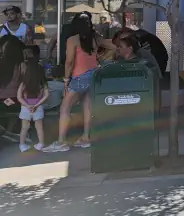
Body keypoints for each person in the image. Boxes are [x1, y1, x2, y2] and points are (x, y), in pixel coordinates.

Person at [44, 13, 112, 152]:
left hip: (79, 77)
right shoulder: (95, 38)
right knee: (87, 107)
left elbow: (69, 62)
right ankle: (86, 138)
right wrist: (102, 58)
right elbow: (113, 46)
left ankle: (61, 141)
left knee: (65, 108)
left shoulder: (72, 39)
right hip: (94, 74)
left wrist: (66, 80)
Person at [16, 46, 49, 152]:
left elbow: (19, 97)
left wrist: (27, 105)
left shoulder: (24, 83)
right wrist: (37, 105)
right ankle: (41, 144)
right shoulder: (42, 83)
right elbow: (46, 95)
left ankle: (22, 145)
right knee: (39, 127)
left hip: (25, 107)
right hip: (38, 107)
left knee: (24, 127)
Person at [0, 35, 26, 142]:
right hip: (15, 103)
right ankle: (9, 131)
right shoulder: (22, 66)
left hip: (1, 103)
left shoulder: (1, 64)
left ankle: (6, 131)